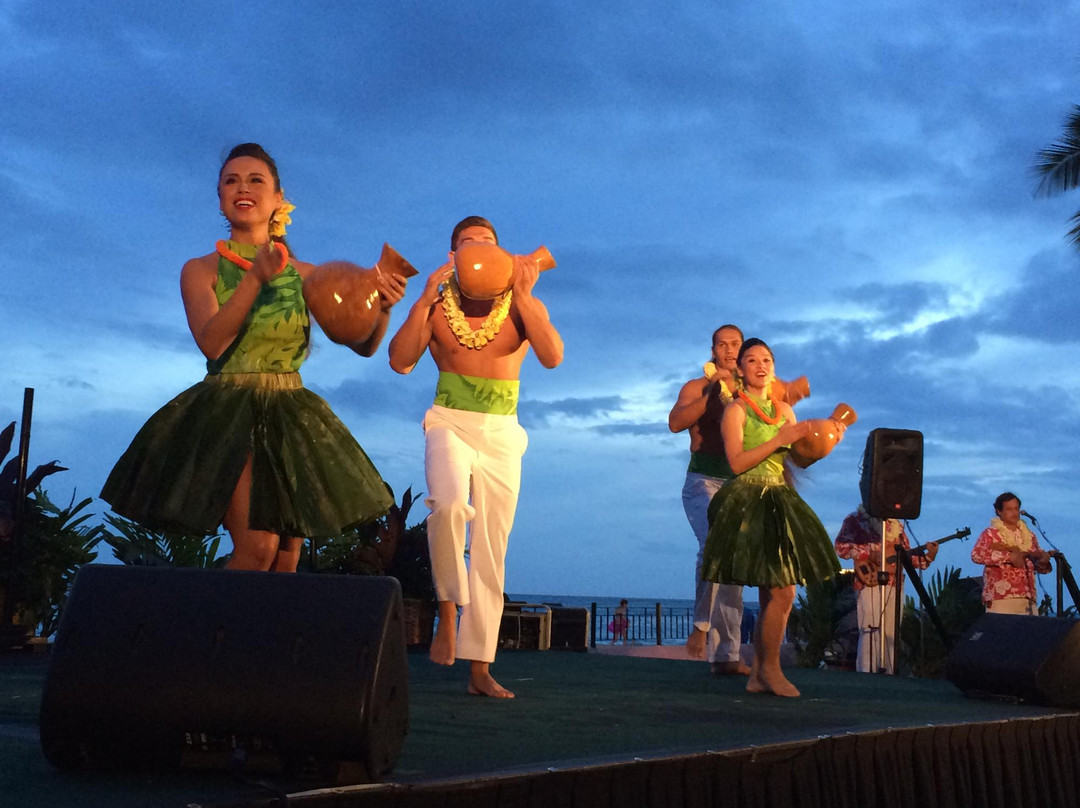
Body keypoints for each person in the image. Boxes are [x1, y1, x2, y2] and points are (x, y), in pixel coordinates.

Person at [102, 143, 407, 572]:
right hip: (230, 411)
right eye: (231, 181)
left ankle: (264, 641)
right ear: (221, 197)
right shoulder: (201, 269)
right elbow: (213, 343)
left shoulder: (306, 275)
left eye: (255, 180)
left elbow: (361, 345)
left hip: (290, 414)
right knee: (258, 547)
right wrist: (255, 279)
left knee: (286, 556)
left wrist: (384, 309)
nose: (242, 188)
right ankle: (208, 638)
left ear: (279, 199)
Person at [388, 215, 563, 698]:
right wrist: (422, 300)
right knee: (445, 505)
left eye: (487, 243)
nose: (478, 250)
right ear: (452, 257)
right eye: (468, 244)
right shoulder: (440, 307)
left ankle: (480, 667)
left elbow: (553, 357)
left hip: (503, 429)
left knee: (492, 542)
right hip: (448, 419)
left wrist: (525, 295)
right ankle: (447, 611)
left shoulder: (521, 305)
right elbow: (400, 361)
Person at [701, 338, 842, 697]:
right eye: (751, 360)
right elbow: (736, 463)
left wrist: (824, 444)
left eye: (766, 359)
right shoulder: (736, 410)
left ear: (773, 368)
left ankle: (760, 673)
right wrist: (781, 438)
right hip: (748, 499)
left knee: (776, 592)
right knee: (781, 590)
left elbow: (794, 458)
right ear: (741, 370)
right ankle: (770, 669)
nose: (760, 365)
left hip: (779, 497)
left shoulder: (784, 410)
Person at [668, 325, 750, 674]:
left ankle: (727, 655)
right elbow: (675, 423)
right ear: (713, 350)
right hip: (702, 480)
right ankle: (701, 627)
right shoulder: (697, 386)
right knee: (715, 542)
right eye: (723, 344)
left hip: (738, 483)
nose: (729, 350)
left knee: (733, 563)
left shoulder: (753, 392)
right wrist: (712, 394)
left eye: (736, 345)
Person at [834, 505, 937, 673]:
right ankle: (866, 673)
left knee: (890, 632)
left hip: (894, 584)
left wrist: (929, 556)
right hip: (869, 582)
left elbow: (908, 559)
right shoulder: (855, 519)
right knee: (870, 629)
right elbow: (841, 547)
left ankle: (889, 674)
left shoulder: (898, 527)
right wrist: (869, 553)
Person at [970, 492, 1052, 615]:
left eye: (1016, 509)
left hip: (1027, 597)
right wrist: (1009, 557)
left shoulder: (1030, 536)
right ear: (999, 511)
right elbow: (976, 555)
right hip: (1001, 598)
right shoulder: (990, 534)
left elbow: (1040, 568)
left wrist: (1043, 562)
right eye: (1009, 509)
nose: (1014, 512)